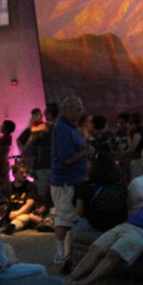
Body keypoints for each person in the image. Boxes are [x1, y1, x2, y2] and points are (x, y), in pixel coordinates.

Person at [50, 95, 89, 268]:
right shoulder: (62, 129)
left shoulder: (71, 127)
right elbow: (66, 158)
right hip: (65, 181)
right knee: (64, 218)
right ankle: (60, 254)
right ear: (67, 110)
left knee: (70, 217)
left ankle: (67, 253)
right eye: (78, 109)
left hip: (75, 180)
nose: (82, 112)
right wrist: (85, 152)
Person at [75, 152, 128, 234]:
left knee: (71, 231)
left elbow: (79, 211)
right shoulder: (120, 186)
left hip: (96, 227)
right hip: (118, 226)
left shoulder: (86, 187)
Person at [18, 105, 53, 206]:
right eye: (37, 115)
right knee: (41, 191)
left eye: (40, 114)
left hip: (45, 164)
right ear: (33, 116)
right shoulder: (33, 129)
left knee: (48, 190)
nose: (40, 116)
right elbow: (24, 146)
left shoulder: (45, 127)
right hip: (40, 165)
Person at [3, 161, 39, 234]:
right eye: (21, 173)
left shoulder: (30, 186)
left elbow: (29, 204)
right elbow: (3, 202)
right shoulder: (7, 187)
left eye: (26, 172)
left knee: (23, 218)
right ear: (14, 174)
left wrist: (17, 213)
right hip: (10, 213)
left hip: (24, 213)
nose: (25, 175)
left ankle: (12, 227)